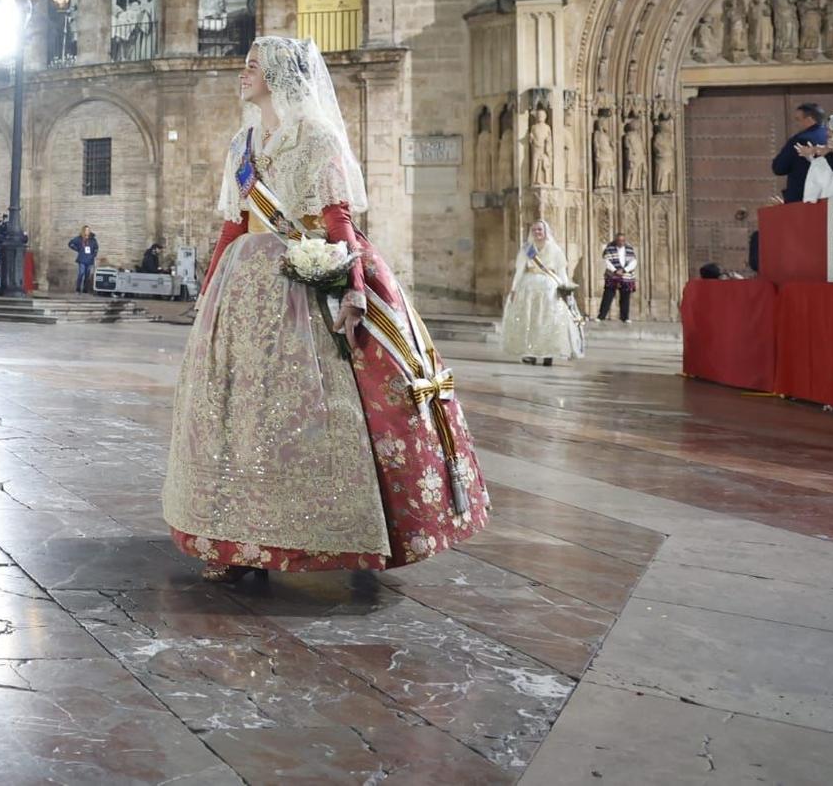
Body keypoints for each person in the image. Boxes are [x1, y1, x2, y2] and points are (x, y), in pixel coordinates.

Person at [163, 35, 489, 581]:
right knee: (233, 411)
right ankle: (229, 538)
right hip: (242, 290)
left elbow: (337, 220)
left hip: (301, 280)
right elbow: (234, 223)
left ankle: (309, 536)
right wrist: (209, 286)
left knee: (297, 409)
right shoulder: (240, 144)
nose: (242, 75)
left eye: (251, 67)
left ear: (277, 75)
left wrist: (356, 287)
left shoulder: (314, 138)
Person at [499, 220, 583, 366]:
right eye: (534, 230)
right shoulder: (527, 249)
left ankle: (548, 353)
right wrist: (513, 289)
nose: (537, 233)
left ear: (545, 232)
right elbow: (519, 270)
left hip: (549, 288)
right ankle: (531, 353)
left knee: (548, 321)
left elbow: (561, 271)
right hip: (529, 287)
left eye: (540, 230)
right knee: (530, 320)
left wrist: (565, 289)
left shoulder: (555, 249)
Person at [771, 103, 829, 204]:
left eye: (798, 119)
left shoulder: (800, 139)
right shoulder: (831, 137)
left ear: (809, 120)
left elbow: (779, 168)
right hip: (827, 194)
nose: (796, 123)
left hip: (802, 196)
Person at [598, 234, 637, 322]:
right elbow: (607, 261)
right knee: (608, 295)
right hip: (612, 276)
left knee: (625, 297)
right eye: (619, 240)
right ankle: (601, 316)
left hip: (626, 276)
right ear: (616, 240)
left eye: (623, 240)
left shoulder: (629, 249)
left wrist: (624, 270)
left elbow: (634, 262)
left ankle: (625, 317)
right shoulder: (609, 249)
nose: (621, 242)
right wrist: (615, 271)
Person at [68, 225, 99, 293]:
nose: (87, 231)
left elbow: (96, 248)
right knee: (81, 273)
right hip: (82, 258)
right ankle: (78, 288)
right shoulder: (79, 238)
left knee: (87, 275)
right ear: (83, 231)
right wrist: (77, 249)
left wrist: (93, 255)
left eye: (88, 230)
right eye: (86, 230)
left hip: (90, 259)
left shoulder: (93, 239)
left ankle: (85, 289)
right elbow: (70, 243)